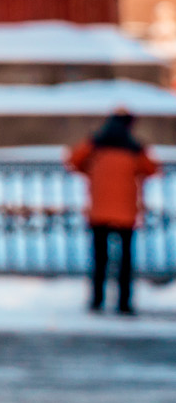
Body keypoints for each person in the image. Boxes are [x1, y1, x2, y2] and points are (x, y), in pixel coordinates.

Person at [68, 109, 160, 316]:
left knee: (99, 259)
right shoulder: (134, 148)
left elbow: (73, 161)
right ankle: (124, 303)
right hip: (126, 212)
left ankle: (97, 301)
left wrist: (90, 170)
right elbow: (153, 169)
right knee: (125, 261)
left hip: (99, 211)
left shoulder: (96, 145)